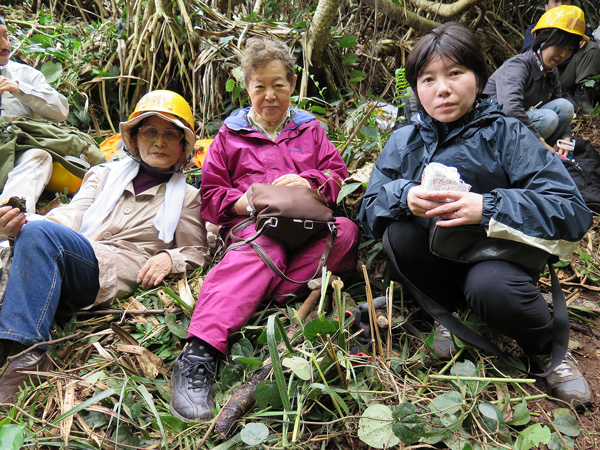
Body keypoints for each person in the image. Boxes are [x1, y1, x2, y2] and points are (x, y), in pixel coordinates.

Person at [358, 22, 594, 408]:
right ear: (416, 88)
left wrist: (488, 206)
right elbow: (368, 210)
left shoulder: (507, 134)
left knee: (490, 288)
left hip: (497, 258)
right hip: (436, 260)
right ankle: (446, 313)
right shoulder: (405, 140)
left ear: (479, 78)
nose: (443, 89)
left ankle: (545, 349)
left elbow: (572, 211)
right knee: (396, 235)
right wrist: (405, 196)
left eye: (455, 74)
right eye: (428, 79)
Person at [169, 37, 360, 422]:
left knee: (345, 232)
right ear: (247, 87)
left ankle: (262, 295)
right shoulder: (230, 134)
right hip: (253, 231)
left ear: (292, 84)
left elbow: (337, 175)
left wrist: (311, 183)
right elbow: (211, 199)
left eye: (279, 84)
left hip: (309, 226)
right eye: (260, 86)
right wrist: (252, 200)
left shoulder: (311, 130)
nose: (270, 95)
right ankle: (198, 354)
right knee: (267, 249)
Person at [0, 90, 210, 405]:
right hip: (74, 253)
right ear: (135, 139)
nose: (159, 141)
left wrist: (171, 257)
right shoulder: (103, 174)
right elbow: (70, 215)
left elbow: (198, 251)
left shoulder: (189, 198)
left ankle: (26, 359)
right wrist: (23, 228)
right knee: (37, 231)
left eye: (171, 135)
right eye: (150, 131)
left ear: (183, 148)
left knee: (41, 233)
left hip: (110, 271)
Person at [483, 5, 588, 156]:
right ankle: (537, 152)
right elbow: (510, 108)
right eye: (559, 45)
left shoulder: (551, 72)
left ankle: (548, 152)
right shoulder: (518, 66)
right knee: (548, 119)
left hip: (520, 127)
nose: (564, 54)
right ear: (543, 39)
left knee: (566, 107)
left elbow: (560, 102)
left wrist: (566, 138)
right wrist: (540, 142)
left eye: (570, 49)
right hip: (493, 128)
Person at [0, 15, 70, 214]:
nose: (5, 45)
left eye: (6, 37)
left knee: (39, 157)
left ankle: (7, 219)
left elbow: (61, 111)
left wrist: (19, 89)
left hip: (19, 149)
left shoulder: (25, 75)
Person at [522, 0, 600, 114]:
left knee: (591, 48)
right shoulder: (537, 29)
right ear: (546, 7)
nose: (560, 5)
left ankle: (584, 96)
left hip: (570, 75)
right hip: (548, 79)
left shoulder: (577, 27)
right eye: (556, 1)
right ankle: (562, 98)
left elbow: (588, 46)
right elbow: (530, 56)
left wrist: (583, 40)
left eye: (564, 1)